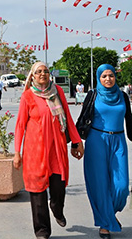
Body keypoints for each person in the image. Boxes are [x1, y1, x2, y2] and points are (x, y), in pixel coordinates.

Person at [13, 61, 84, 239]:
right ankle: (42, 231)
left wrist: (77, 142)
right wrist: (17, 152)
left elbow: (66, 117)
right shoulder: (28, 96)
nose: (42, 74)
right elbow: (21, 125)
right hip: (35, 150)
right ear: (33, 76)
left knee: (58, 186)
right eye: (39, 72)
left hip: (56, 148)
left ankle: (57, 209)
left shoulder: (57, 91)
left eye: (45, 71)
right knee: (37, 191)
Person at [79, 64, 132, 238]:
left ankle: (110, 214)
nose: (108, 79)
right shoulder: (93, 95)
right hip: (97, 141)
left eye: (111, 75)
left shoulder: (123, 96)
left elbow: (130, 122)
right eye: (104, 76)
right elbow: (82, 118)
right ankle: (105, 223)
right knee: (100, 185)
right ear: (98, 78)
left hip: (118, 141)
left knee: (122, 186)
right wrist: (74, 142)